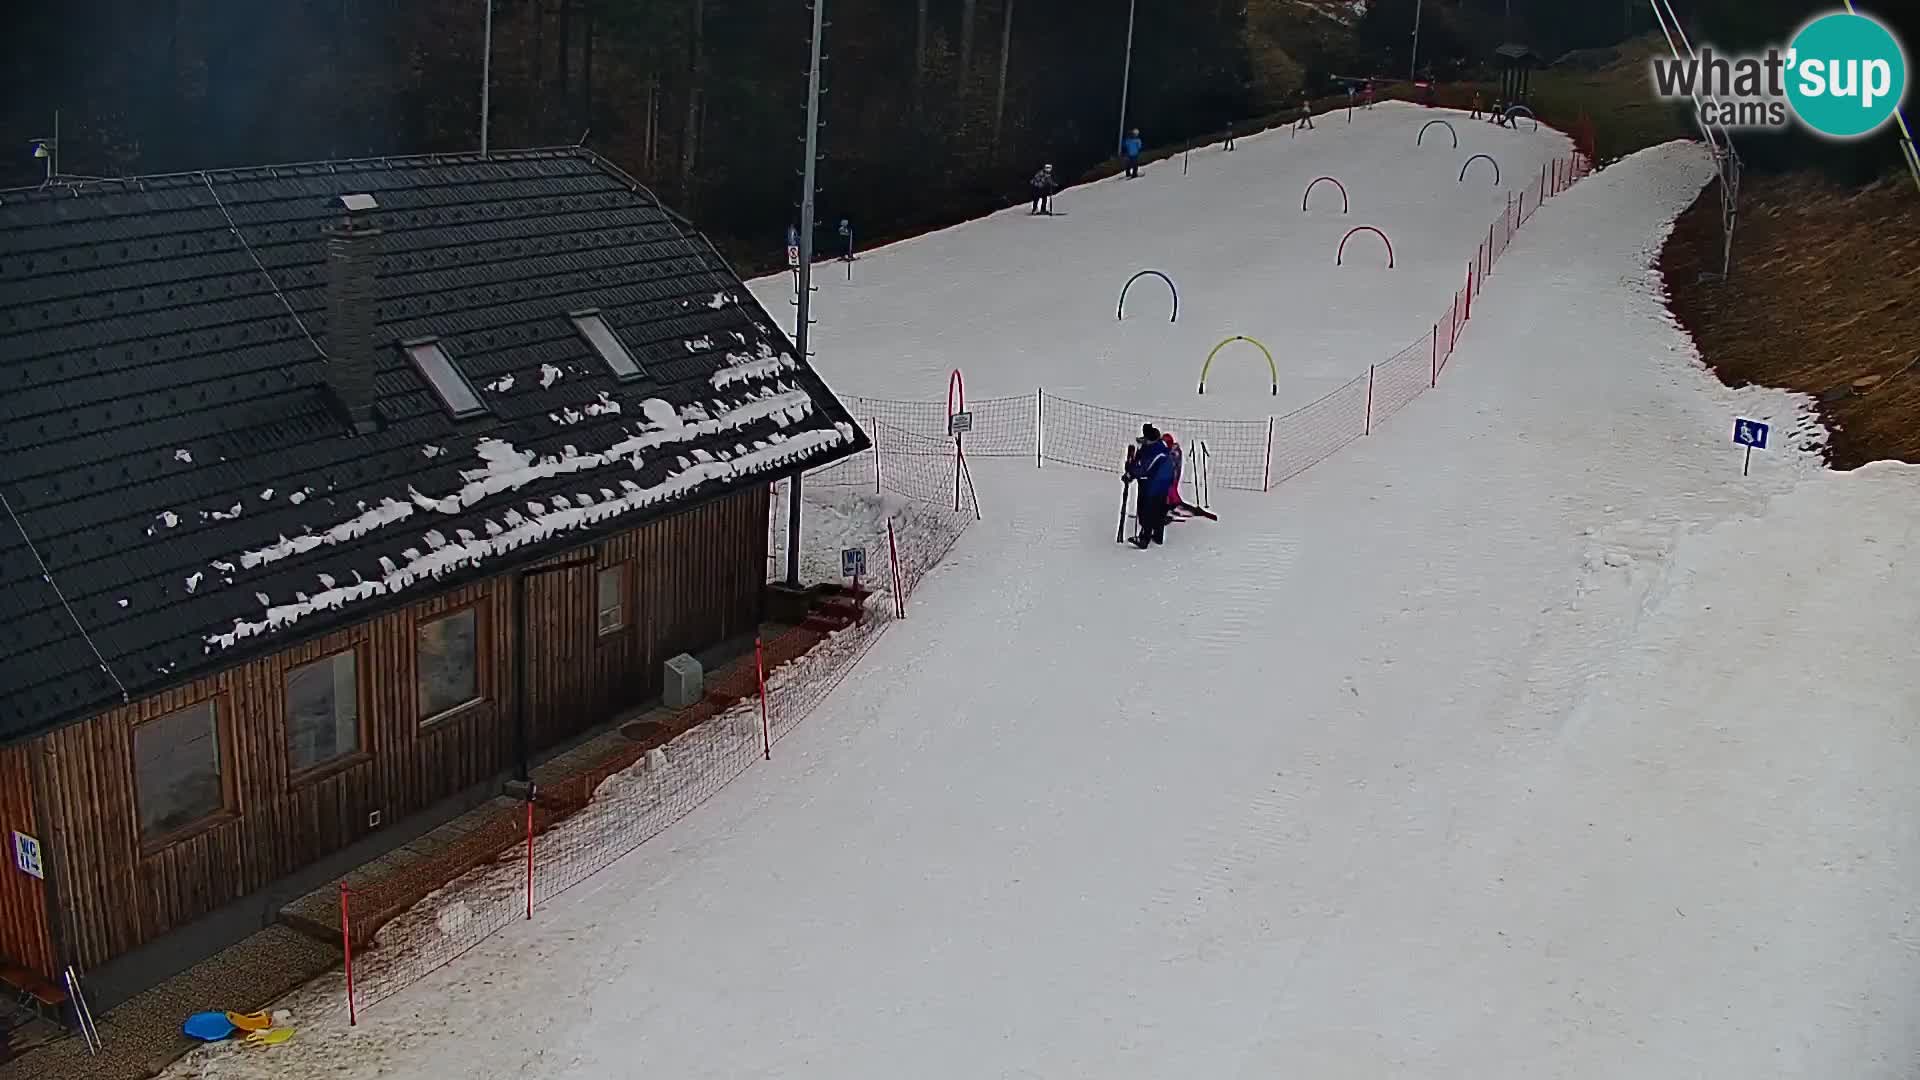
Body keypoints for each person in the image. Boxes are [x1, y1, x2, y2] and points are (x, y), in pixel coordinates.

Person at [1124, 424, 1174, 548]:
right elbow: (1140, 460)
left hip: (1156, 483)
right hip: (1160, 481)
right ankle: (1158, 536)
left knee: (1148, 510)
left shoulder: (1156, 451)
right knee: (1158, 509)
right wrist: (1131, 468)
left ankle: (1144, 539)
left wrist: (1131, 472)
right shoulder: (1153, 447)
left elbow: (1144, 468)